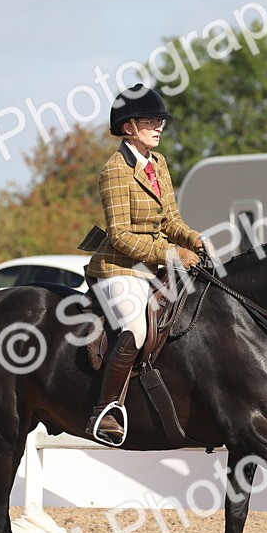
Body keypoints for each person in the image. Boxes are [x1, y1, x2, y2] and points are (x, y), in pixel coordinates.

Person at [82, 83, 204, 445]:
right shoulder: (115, 171)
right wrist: (173, 255)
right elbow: (120, 237)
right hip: (118, 268)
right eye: (151, 120)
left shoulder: (158, 163)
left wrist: (193, 239)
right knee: (135, 326)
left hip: (152, 265)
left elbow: (170, 221)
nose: (159, 126)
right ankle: (105, 410)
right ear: (129, 126)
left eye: (160, 120)